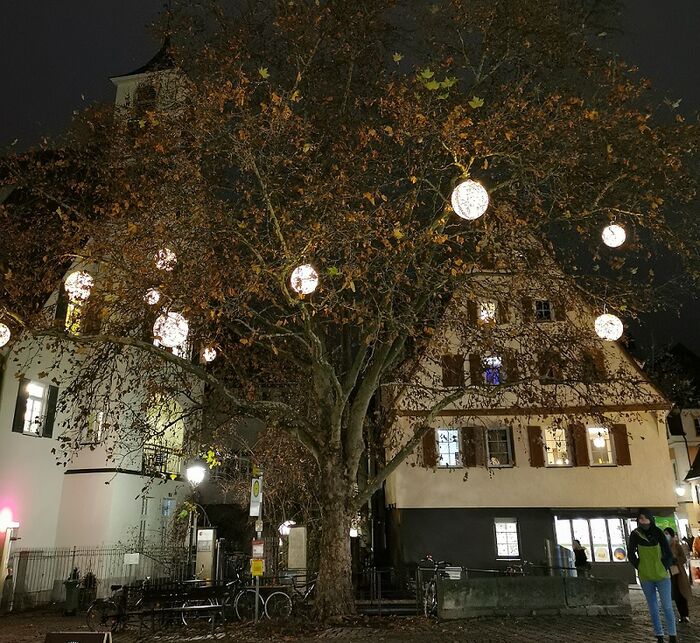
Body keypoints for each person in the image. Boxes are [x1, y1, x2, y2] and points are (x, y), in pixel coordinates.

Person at [629, 509, 677, 643]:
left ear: (650, 519)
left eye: (645, 518)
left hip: (662, 576)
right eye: (641, 519)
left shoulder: (658, 533)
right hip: (646, 577)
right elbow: (631, 554)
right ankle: (659, 635)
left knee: (667, 606)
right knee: (653, 607)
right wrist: (640, 566)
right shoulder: (635, 534)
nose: (643, 521)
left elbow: (667, 553)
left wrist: (663, 566)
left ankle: (672, 635)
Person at [664, 527, 692, 624]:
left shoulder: (677, 546)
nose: (665, 535)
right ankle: (681, 615)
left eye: (667, 533)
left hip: (679, 573)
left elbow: (683, 558)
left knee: (682, 594)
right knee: (675, 595)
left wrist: (676, 559)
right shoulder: (663, 547)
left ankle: (686, 615)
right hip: (669, 574)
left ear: (671, 535)